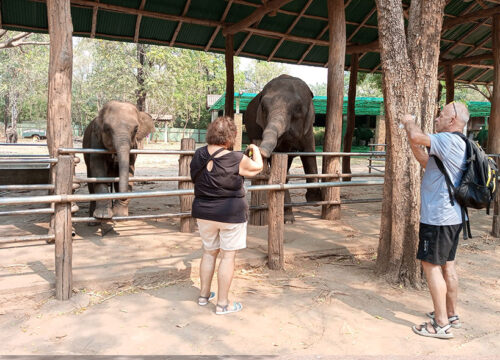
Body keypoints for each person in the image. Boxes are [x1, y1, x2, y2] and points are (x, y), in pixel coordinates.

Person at [401, 102, 469, 339]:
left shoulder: (448, 140)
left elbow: (418, 136)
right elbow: (426, 162)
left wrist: (408, 120)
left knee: (430, 266)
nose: (437, 119)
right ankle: (451, 314)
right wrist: (413, 140)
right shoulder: (460, 143)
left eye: (441, 115)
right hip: (453, 216)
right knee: (447, 264)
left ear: (452, 121)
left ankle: (440, 324)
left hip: (438, 217)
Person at [190, 116, 263, 315]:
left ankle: (204, 296)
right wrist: (255, 151)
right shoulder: (236, 158)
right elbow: (257, 168)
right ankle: (223, 304)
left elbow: (193, 176)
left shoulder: (198, 154)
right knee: (228, 256)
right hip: (231, 213)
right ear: (231, 136)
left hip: (203, 212)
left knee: (208, 252)